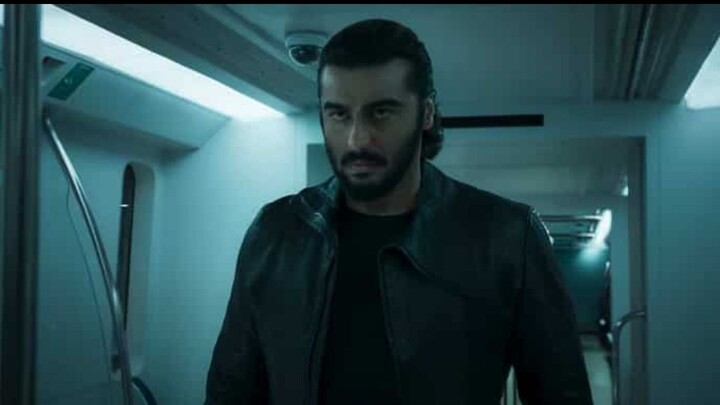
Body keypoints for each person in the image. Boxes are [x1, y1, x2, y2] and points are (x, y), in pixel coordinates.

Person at [206, 18, 593, 405]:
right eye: (339, 114)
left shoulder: (508, 237)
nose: (357, 140)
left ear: (426, 113)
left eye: (381, 113)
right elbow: (231, 392)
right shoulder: (276, 233)